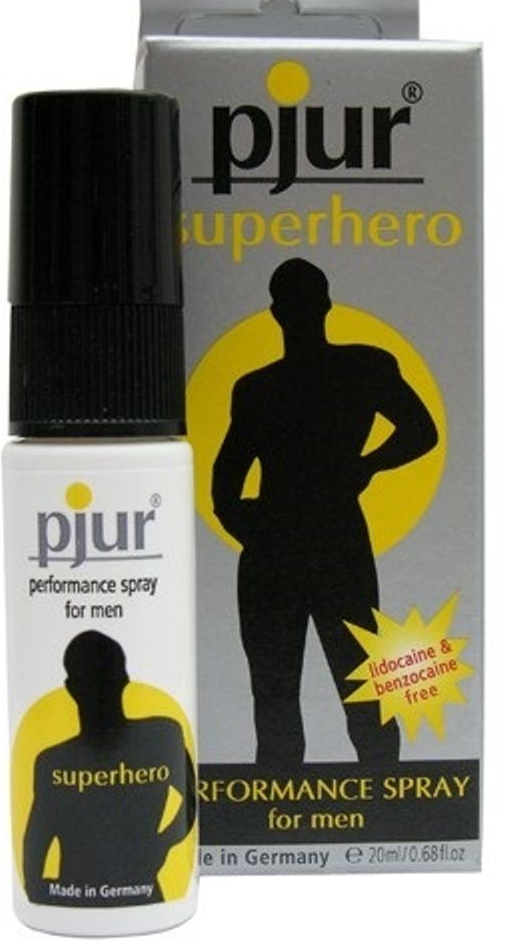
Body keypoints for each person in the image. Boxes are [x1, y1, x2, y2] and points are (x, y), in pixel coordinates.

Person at [212, 257, 438, 766]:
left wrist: (365, 466)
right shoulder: (278, 384)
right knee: (297, 690)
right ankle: (354, 793)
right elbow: (224, 483)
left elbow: (422, 431)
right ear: (323, 305)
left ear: (277, 312)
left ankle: (370, 791)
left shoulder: (337, 372)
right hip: (310, 544)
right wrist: (363, 466)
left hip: (313, 544)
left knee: (352, 686)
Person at [23, 631, 196, 905]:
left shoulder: (162, 736)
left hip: (115, 891)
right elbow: (36, 842)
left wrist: (161, 844)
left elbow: (190, 796)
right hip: (80, 892)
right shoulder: (52, 762)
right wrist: (160, 844)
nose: (99, 688)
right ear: (124, 677)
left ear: (70, 687)